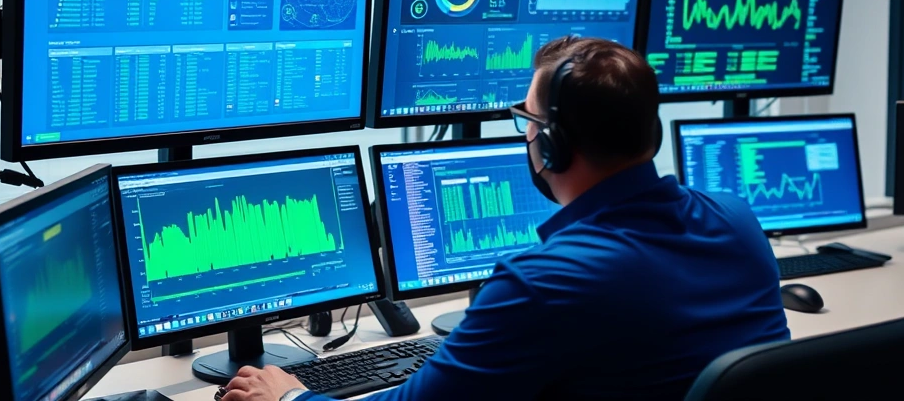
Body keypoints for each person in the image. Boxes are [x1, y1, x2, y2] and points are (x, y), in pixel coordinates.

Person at [222, 36, 789, 401]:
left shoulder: (543, 283)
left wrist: (288, 398)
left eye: (528, 118)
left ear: (554, 144)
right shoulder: (736, 220)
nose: (526, 132)